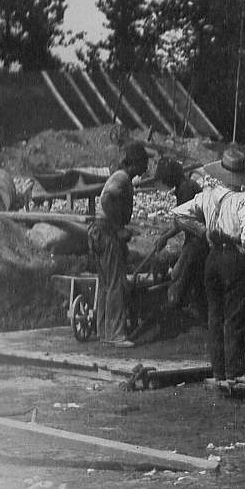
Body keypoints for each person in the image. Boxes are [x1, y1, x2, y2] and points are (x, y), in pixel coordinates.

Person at [168, 146, 245, 383]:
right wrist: (243, 245)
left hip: (212, 258)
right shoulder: (243, 199)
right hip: (233, 257)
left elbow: (178, 214)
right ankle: (236, 370)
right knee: (235, 315)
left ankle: (218, 371)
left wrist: (203, 230)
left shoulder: (207, 195)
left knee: (215, 316)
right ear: (240, 177)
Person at [89, 142, 150, 347]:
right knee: (116, 284)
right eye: (144, 163)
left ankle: (104, 331)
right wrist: (118, 229)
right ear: (135, 163)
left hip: (99, 232)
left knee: (106, 284)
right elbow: (106, 199)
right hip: (107, 234)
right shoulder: (122, 178)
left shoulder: (120, 177)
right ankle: (115, 334)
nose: (146, 167)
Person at [154, 158, 207, 322]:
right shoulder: (187, 185)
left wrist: (165, 236)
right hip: (199, 236)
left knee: (180, 274)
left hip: (198, 238)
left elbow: (183, 222)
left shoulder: (185, 189)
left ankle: (173, 309)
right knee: (196, 278)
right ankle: (201, 315)